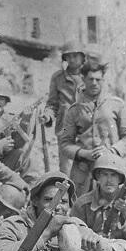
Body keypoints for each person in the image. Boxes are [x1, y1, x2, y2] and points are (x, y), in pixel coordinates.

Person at [58, 62, 126, 196]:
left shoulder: (117, 104)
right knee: (80, 209)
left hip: (112, 169)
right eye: (90, 79)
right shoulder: (74, 110)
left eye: (98, 79)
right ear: (83, 79)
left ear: (103, 80)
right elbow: (64, 143)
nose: (94, 83)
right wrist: (84, 153)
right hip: (83, 172)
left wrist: (112, 150)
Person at [71, 152, 126, 242]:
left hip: (124, 250)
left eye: (113, 175)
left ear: (120, 179)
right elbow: (74, 234)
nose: (109, 180)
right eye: (105, 174)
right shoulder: (82, 204)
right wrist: (94, 237)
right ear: (98, 177)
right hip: (93, 249)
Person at [0, 78, 39, 182]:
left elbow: (19, 144)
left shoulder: (10, 119)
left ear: (6, 102)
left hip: (2, 166)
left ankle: (32, 189)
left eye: (1, 99)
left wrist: (25, 121)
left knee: (25, 156)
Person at [41, 41, 85, 174]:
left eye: (75, 56)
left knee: (86, 171)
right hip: (65, 130)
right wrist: (47, 115)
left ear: (82, 57)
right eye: (68, 56)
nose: (72, 59)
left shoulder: (89, 78)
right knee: (66, 171)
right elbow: (52, 103)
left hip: (87, 130)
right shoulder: (58, 78)